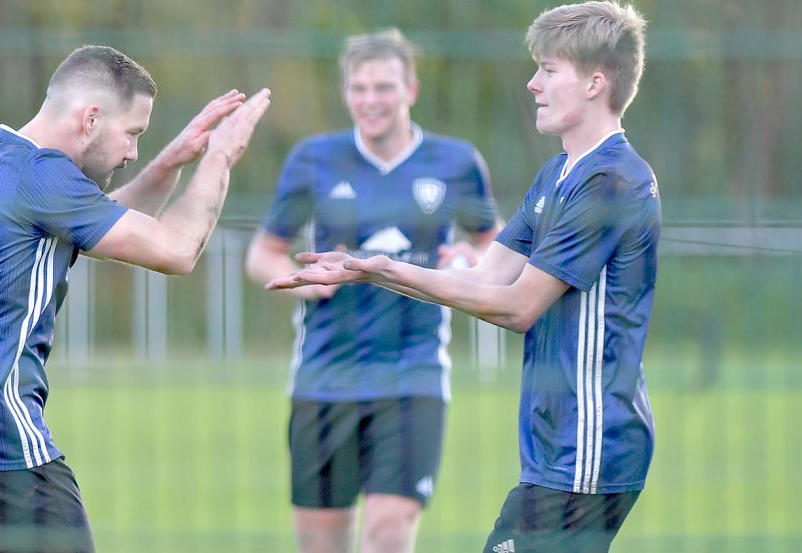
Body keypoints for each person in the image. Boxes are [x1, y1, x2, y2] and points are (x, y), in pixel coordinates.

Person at [268, 3, 659, 553]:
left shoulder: (610, 182)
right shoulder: (559, 173)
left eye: (548, 70)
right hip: (554, 443)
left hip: (591, 441)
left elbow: (516, 306)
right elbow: (486, 274)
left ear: (596, 82)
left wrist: (384, 268)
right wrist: (371, 272)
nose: (533, 84)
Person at [0, 44, 271, 553]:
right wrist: (221, 156)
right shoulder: (42, 178)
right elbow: (177, 250)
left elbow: (93, 220)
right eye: (132, 133)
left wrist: (172, 161)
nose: (133, 151)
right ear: (90, 118)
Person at [247, 28, 501, 553]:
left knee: (387, 536)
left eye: (384, 87)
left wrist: (471, 261)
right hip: (324, 377)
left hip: (414, 375)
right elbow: (262, 253)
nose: (370, 100)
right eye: (359, 88)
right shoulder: (314, 159)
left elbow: (496, 250)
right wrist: (307, 287)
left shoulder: (455, 163)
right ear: (345, 93)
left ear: (411, 90)